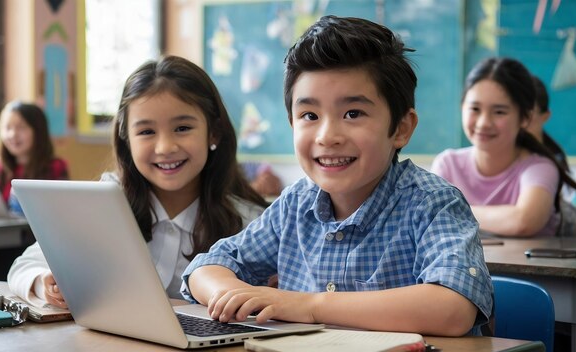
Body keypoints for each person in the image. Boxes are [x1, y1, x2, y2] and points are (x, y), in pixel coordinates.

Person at [181, 16, 492, 337]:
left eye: (353, 114)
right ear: (292, 123)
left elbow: (454, 307)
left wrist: (309, 306)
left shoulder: (432, 202)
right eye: (310, 116)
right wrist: (229, 293)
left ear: (401, 128)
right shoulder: (296, 203)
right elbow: (207, 266)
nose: (327, 136)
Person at [7, 55, 269, 308]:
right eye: (146, 132)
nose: (165, 147)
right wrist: (45, 284)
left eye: (182, 128)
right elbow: (24, 266)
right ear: (126, 139)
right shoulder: (103, 202)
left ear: (213, 132)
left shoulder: (251, 223)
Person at [431, 57, 576, 237]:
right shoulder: (447, 164)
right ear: (462, 107)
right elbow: (433, 221)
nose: (483, 123)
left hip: (529, 266)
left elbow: (524, 221)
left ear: (524, 118)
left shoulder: (540, 167)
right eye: (475, 109)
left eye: (499, 112)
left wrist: (452, 209)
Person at [0, 101, 69, 214]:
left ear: (38, 131)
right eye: (7, 128)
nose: (13, 134)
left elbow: (61, 210)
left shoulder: (55, 167)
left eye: (21, 127)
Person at [525, 75, 570, 173]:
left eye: (528, 116)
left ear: (545, 116)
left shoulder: (554, 161)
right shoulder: (503, 155)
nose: (521, 123)